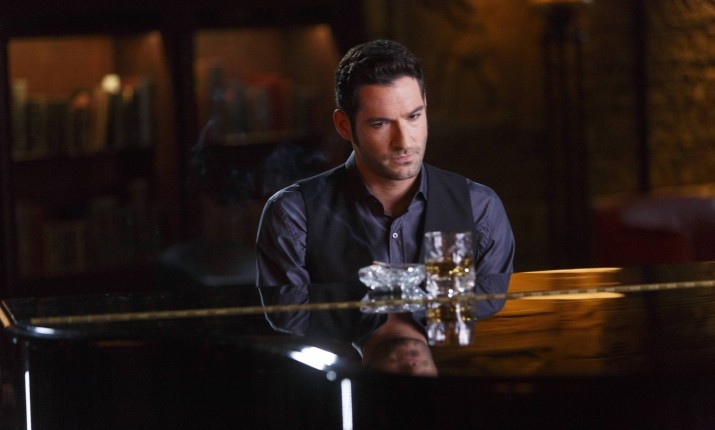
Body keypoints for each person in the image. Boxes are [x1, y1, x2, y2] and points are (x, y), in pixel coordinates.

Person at [255, 39, 515, 367]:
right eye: (380, 123)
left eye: (414, 116)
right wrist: (421, 293)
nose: (404, 141)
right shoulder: (294, 213)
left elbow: (489, 302)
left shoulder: (479, 207)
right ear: (344, 125)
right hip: (336, 385)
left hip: (453, 386)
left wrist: (376, 293)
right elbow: (288, 314)